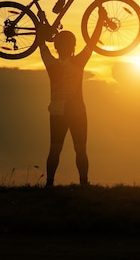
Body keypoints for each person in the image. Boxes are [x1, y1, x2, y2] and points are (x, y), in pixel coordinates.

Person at [39, 21, 103, 187]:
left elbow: (40, 42)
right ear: (74, 46)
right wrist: (101, 20)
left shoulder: (51, 64)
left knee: (55, 149)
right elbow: (93, 41)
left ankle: (49, 184)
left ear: (57, 47)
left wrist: (40, 22)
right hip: (78, 113)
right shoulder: (79, 62)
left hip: (57, 113)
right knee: (80, 150)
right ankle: (84, 184)